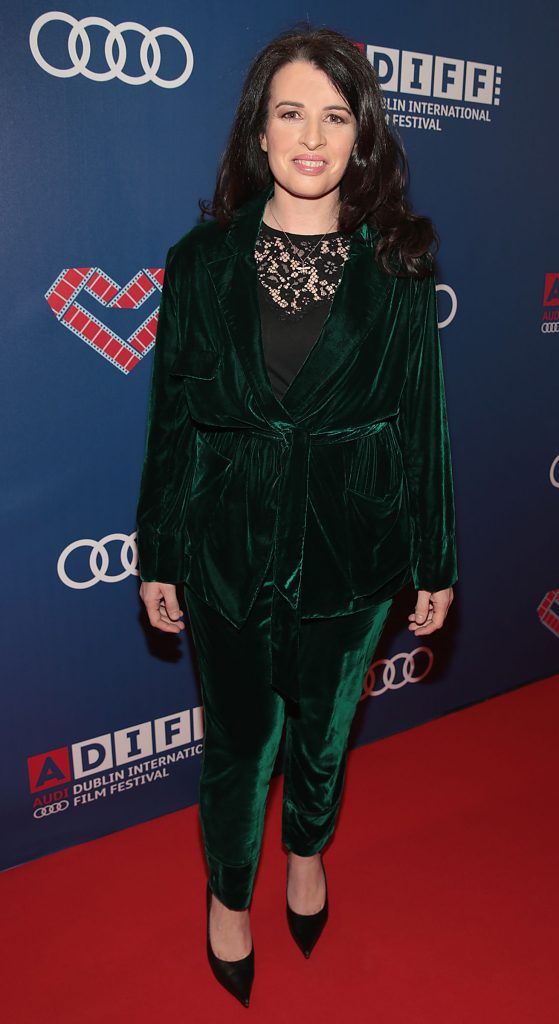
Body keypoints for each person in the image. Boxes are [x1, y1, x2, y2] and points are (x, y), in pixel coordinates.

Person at [135, 23, 458, 1008]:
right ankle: (229, 895)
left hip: (352, 550)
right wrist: (159, 548)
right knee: (238, 740)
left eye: (333, 115)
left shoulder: (398, 269)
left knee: (321, 736)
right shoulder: (197, 262)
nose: (310, 136)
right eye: (289, 113)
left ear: (360, 135)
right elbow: (174, 417)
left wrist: (432, 561)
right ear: (258, 132)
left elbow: (421, 424)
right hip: (226, 543)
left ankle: (306, 853)